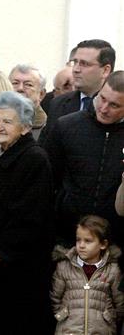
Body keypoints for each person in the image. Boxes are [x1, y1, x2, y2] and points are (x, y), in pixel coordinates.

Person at [0, 91, 54, 334]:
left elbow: (30, 216)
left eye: (8, 122)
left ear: (25, 128)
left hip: (14, 266)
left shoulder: (33, 159)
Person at [45, 70, 124, 249]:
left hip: (115, 240)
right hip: (67, 237)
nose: (104, 109)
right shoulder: (66, 126)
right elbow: (48, 181)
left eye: (114, 105)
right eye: (102, 99)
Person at [50, 215, 124, 335]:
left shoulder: (112, 270)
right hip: (69, 330)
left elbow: (120, 303)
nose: (81, 245)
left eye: (88, 241)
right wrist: (63, 315)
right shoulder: (64, 267)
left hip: (102, 330)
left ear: (103, 244)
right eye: (78, 240)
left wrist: (109, 318)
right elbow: (55, 298)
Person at [41, 39, 115, 143]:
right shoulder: (58, 104)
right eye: (75, 62)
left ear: (105, 70)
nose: (76, 69)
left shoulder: (117, 106)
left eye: (84, 64)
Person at [9, 64, 47, 140]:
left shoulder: (47, 129)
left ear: (41, 94)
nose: (20, 88)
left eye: (28, 84)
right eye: (15, 83)